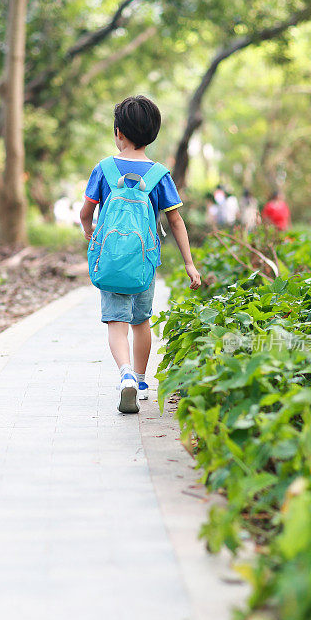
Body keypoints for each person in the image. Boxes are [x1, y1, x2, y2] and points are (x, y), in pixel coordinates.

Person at [80, 95, 201, 414]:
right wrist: (189, 264)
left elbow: (85, 212)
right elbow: (176, 220)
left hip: (110, 262)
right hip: (144, 263)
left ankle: (125, 377)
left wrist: (90, 233)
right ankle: (142, 381)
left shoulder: (104, 169)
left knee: (115, 322)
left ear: (118, 132)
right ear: (153, 133)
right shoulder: (159, 175)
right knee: (140, 321)